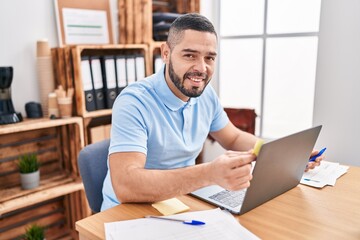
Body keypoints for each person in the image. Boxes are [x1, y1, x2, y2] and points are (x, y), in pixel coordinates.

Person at [101, 13, 323, 211]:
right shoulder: (134, 102)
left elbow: (233, 137)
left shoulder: (205, 95)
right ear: (166, 53)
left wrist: (282, 155)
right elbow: (126, 185)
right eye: (190, 55)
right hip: (127, 211)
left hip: (179, 201)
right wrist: (208, 174)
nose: (201, 68)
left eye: (209, 58)